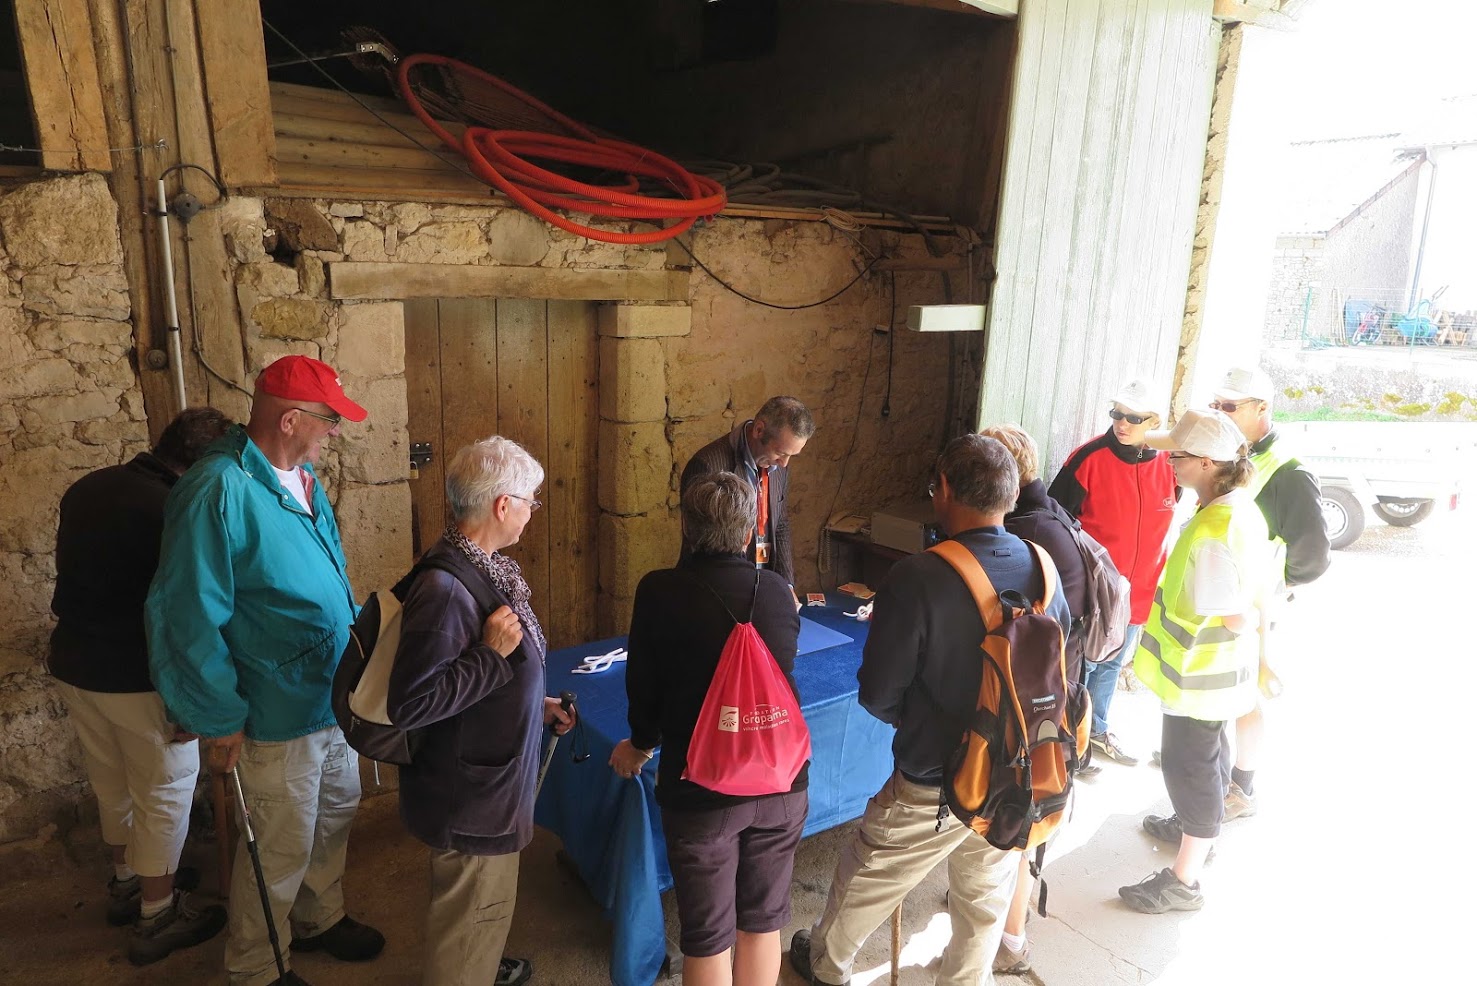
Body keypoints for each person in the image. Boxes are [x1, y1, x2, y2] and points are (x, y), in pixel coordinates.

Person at [790, 434, 1071, 986]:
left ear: (943, 489)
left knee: (871, 871)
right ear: (1011, 494)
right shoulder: (1044, 567)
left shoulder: (919, 575)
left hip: (935, 774)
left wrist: (919, 721)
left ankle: (826, 965)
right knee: (985, 892)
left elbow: (878, 692)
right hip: (1015, 769)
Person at [146, 356, 382, 986]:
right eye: (330, 420)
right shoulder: (216, 489)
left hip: (331, 693)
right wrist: (217, 716)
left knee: (333, 817)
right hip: (275, 706)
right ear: (291, 419)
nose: (335, 431)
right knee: (278, 846)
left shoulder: (302, 478)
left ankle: (319, 918)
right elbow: (186, 615)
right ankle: (257, 966)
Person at [385, 436, 572, 986]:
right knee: (470, 920)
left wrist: (536, 706)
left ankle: (482, 966)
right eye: (530, 501)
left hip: (486, 783)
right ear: (502, 505)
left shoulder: (479, 565)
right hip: (470, 797)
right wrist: (491, 656)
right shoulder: (446, 589)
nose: (532, 512)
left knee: (482, 914)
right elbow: (412, 703)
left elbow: (478, 685)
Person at [49, 407, 231, 964]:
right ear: (204, 462)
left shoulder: (89, 487)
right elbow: (182, 611)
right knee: (165, 791)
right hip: (138, 675)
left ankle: (128, 881)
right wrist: (192, 698)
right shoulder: (176, 508)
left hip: (75, 662)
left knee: (113, 783)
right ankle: (158, 914)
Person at [612, 473, 806, 986]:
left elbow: (644, 688)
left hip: (701, 788)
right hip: (781, 781)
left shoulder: (659, 591)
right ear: (749, 532)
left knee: (707, 935)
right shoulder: (776, 591)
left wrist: (640, 745)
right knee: (762, 925)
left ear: (686, 527)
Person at [1118, 409, 1276, 914]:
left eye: (1178, 456)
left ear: (1208, 463)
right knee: (1207, 760)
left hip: (1200, 680)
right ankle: (1194, 829)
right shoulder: (1236, 507)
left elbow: (1232, 614)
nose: (1169, 462)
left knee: (1191, 770)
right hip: (1216, 678)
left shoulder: (1213, 531)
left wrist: (1251, 625)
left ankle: (1183, 880)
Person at [980, 423, 1089, 976]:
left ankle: (1010, 940)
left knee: (1018, 817)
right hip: (1056, 692)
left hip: (1035, 704)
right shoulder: (1051, 516)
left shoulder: (1024, 535)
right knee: (1025, 820)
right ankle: (1005, 928)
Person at [1210, 366, 1330, 819]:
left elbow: (1313, 554)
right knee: (1224, 693)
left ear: (1262, 408)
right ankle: (1212, 777)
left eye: (1229, 406)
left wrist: (1275, 588)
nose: (1220, 412)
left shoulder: (1289, 472)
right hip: (1227, 600)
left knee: (1245, 696)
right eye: (1216, 404)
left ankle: (1239, 789)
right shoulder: (1232, 452)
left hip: (1252, 606)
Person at [1049, 378, 1178, 768]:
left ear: (1155, 421)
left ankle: (1096, 732)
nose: (1122, 423)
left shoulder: (1171, 462)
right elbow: (1055, 520)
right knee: (1082, 664)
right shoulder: (1088, 458)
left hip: (1139, 590)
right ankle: (1067, 742)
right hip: (1095, 590)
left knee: (1111, 664)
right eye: (1117, 414)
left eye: (1134, 417)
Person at [680, 396, 814, 603]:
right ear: (759, 430)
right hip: (719, 594)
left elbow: (780, 524)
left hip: (763, 588)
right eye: (780, 453)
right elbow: (699, 544)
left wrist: (786, 584)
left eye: (791, 456)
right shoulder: (708, 466)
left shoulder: (777, 464)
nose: (784, 464)